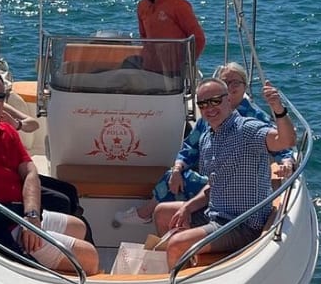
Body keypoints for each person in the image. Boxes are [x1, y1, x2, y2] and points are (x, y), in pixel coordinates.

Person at [0, 71, 99, 274]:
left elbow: (30, 171)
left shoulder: (6, 130)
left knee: (79, 226)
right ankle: (72, 281)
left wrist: (32, 216)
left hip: (20, 211)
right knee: (90, 257)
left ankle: (62, 266)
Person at [116, 62, 293, 226]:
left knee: (189, 182)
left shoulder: (254, 119)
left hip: (238, 185)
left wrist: (287, 161)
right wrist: (178, 169)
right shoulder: (209, 116)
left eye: (235, 83)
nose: (231, 87)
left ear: (245, 86)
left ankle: (148, 212)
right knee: (174, 175)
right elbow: (191, 147)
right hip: (213, 174)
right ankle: (164, 215)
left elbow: (280, 143)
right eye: (225, 82)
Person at [153, 76, 297, 270]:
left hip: (243, 224)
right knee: (162, 213)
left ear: (228, 99)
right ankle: (183, 268)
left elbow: (285, 141)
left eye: (215, 101)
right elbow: (213, 185)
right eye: (203, 104)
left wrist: (279, 110)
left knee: (177, 244)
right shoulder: (207, 139)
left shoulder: (247, 129)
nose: (209, 108)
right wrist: (187, 207)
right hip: (215, 214)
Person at [136, 0, 206, 76]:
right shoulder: (141, 6)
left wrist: (187, 65)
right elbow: (144, 37)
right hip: (150, 69)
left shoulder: (179, 5)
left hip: (176, 71)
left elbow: (198, 38)